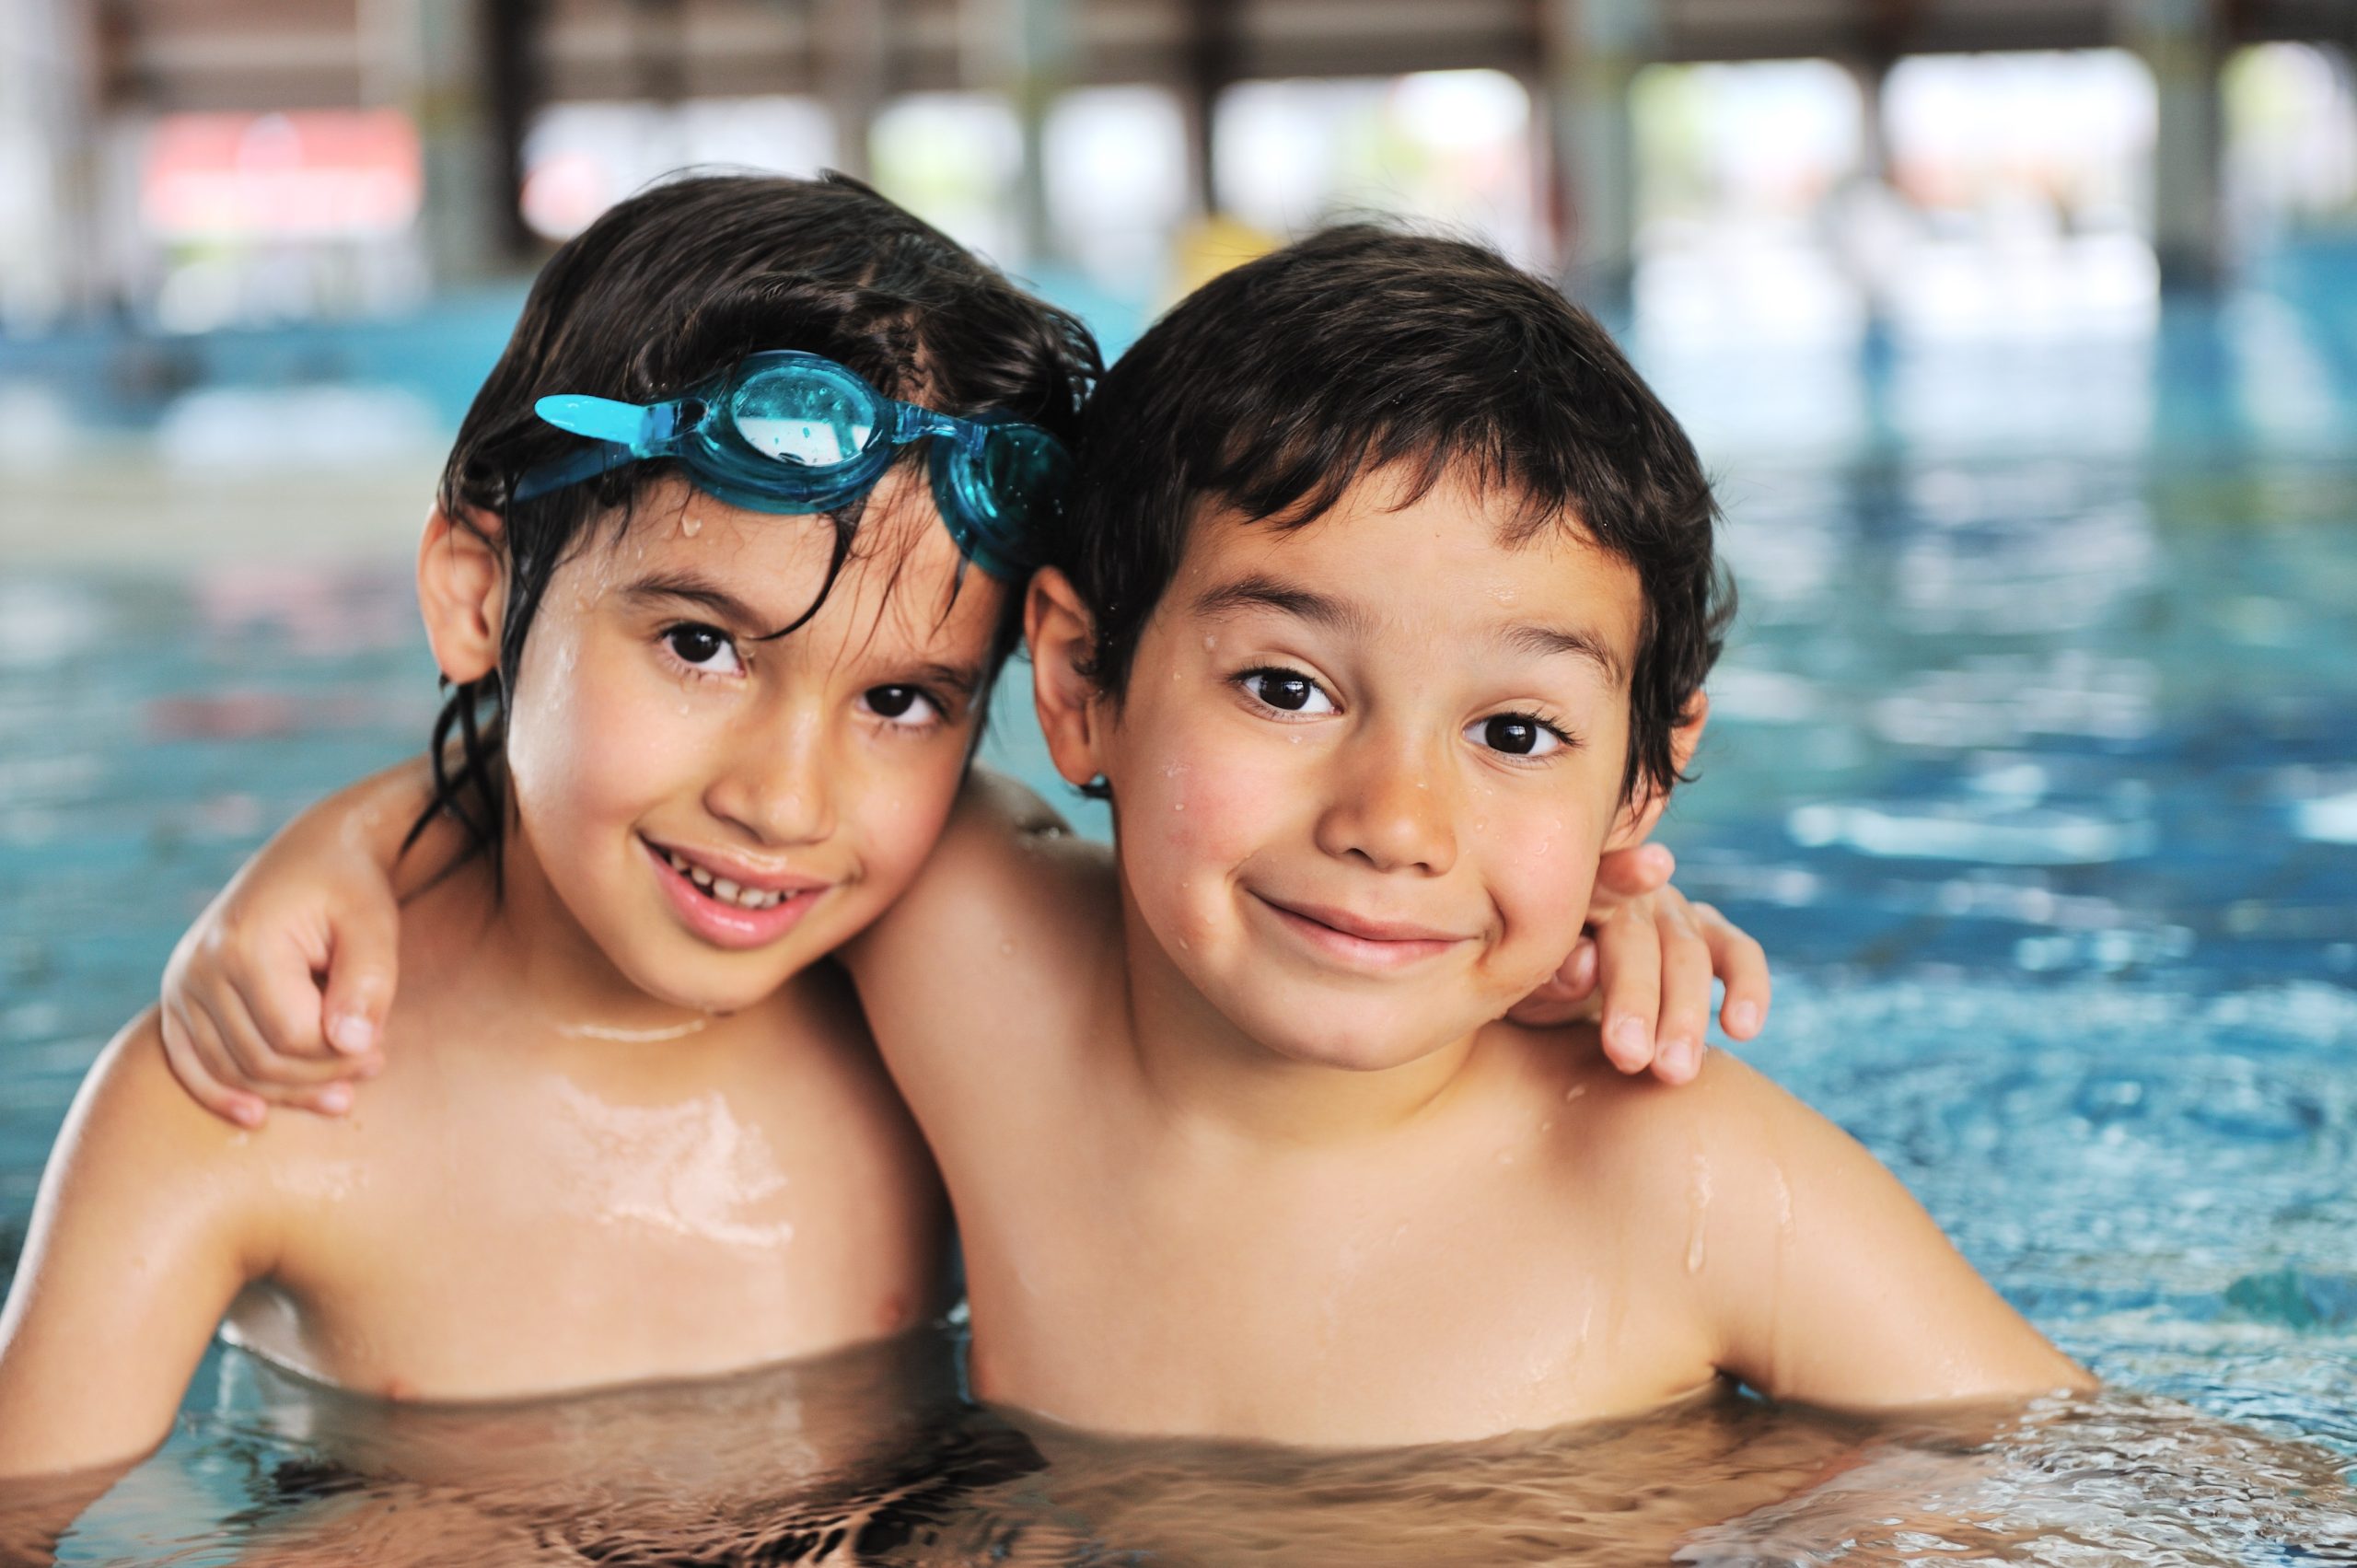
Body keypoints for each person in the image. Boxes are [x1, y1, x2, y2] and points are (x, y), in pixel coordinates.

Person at [156, 222, 2080, 1452]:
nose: (1395, 823)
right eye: (1283, 691)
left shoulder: (1694, 1191)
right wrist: (349, 851)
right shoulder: (972, 960)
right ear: (1073, 688)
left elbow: (2110, 1490)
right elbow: (678, 793)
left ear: (1637, 789)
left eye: (1512, 735)